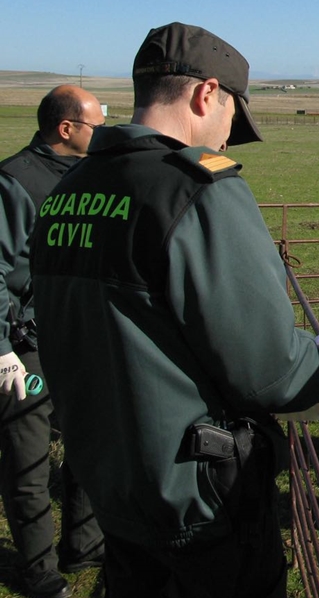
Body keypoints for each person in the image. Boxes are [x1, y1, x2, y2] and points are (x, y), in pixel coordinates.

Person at [29, 22, 319, 598]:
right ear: (207, 94)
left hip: (109, 478)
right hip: (197, 494)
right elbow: (270, 370)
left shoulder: (67, 190)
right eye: (233, 115)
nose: (228, 137)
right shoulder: (199, 189)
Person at [0, 85, 107, 598]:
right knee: (28, 457)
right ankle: (37, 569)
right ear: (66, 128)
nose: (102, 133)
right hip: (28, 344)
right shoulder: (13, 182)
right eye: (96, 125)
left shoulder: (87, 176)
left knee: (90, 441)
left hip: (79, 336)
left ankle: (84, 545)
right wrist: (2, 349)